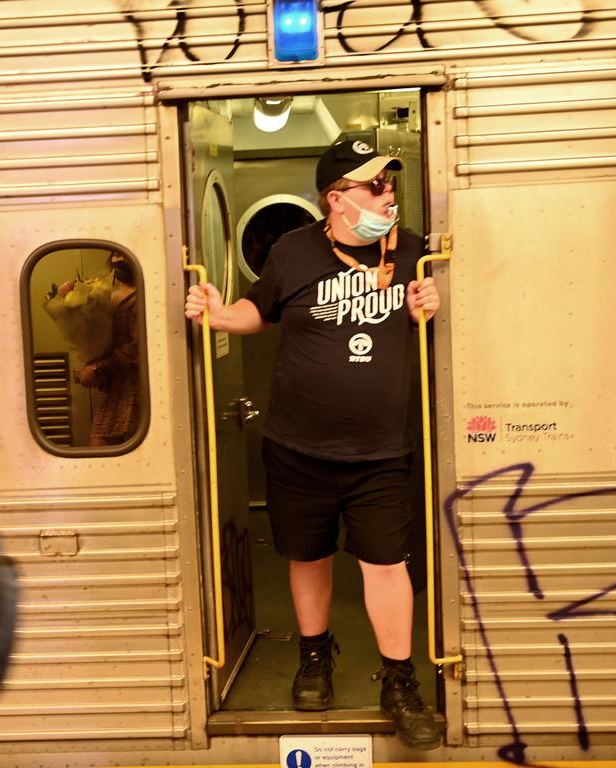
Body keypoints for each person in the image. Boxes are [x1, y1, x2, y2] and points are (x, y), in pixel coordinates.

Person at [184, 140, 442, 750]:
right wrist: (220, 315)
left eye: (388, 185)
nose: (387, 196)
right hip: (297, 446)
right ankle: (314, 657)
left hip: (380, 450)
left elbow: (444, 319)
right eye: (374, 187)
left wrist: (431, 306)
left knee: (386, 564)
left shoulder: (413, 254)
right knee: (308, 556)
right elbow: (260, 310)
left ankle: (400, 681)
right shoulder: (294, 251)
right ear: (337, 199)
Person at [75, 252, 140, 446]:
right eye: (115, 253)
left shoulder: (141, 296)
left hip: (135, 389)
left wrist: (98, 369)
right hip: (115, 387)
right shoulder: (104, 292)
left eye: (124, 253)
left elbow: (136, 349)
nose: (118, 257)